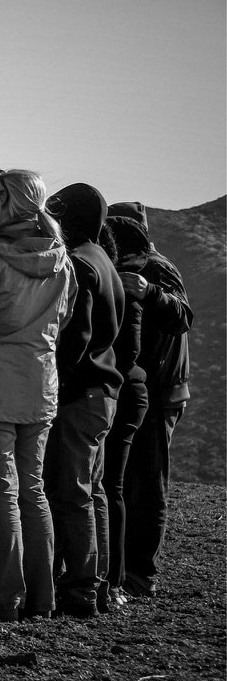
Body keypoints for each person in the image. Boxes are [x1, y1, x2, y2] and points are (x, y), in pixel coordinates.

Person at [0, 169, 76, 622]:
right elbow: (63, 319)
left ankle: (3, 595)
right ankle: (41, 597)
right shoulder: (61, 260)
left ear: (7, 203)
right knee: (33, 490)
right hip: (40, 387)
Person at [43, 183, 125, 618]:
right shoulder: (104, 260)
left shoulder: (78, 263)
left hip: (79, 393)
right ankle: (101, 582)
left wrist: (56, 383)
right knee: (94, 491)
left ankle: (80, 589)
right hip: (105, 391)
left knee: (72, 491)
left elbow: (76, 336)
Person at [107, 202, 192, 599]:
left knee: (147, 482)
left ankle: (141, 572)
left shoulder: (156, 268)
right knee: (134, 481)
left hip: (158, 393)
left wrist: (151, 292)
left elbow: (182, 316)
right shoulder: (137, 265)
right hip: (152, 389)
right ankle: (130, 568)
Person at [95, 222, 146, 609]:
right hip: (126, 390)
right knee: (108, 487)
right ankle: (109, 579)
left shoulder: (115, 287)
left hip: (117, 392)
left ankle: (111, 579)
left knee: (109, 486)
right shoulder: (122, 285)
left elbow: (126, 351)